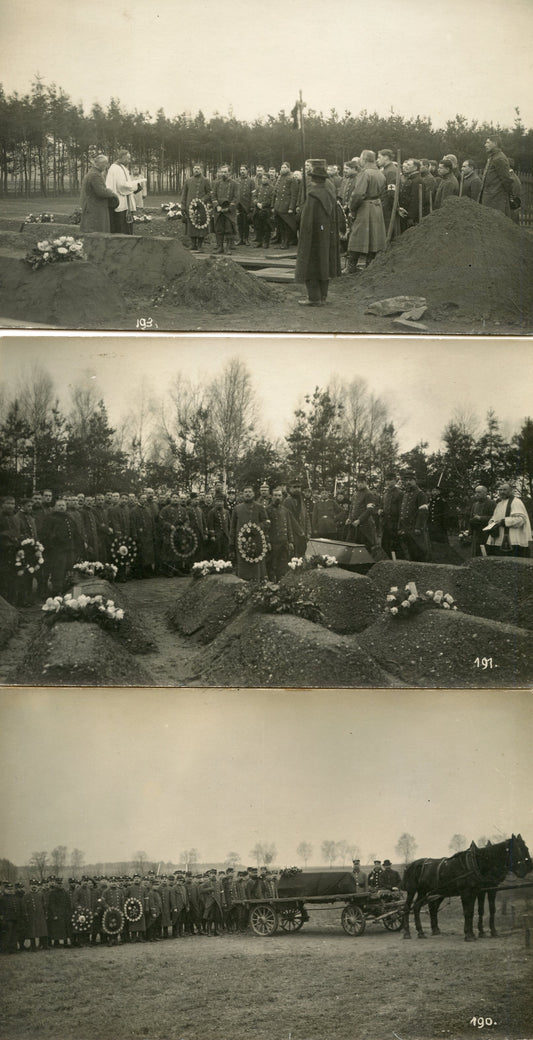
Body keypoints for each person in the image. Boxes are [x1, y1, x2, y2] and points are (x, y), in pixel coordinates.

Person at [295, 159, 338, 306]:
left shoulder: (312, 196)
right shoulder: (329, 192)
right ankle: (323, 296)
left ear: (312, 179)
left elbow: (306, 221)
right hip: (326, 234)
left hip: (313, 236)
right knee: (323, 262)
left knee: (311, 264)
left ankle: (313, 298)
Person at [345, 151, 386, 272]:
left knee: (357, 236)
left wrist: (352, 209)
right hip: (377, 207)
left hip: (365, 207)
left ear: (364, 160)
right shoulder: (380, 174)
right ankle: (370, 266)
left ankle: (351, 267)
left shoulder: (364, 174)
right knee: (374, 237)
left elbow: (358, 194)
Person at [229, 486, 270, 580]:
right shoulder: (237, 508)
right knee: (243, 565)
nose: (248, 494)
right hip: (241, 542)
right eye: (245, 492)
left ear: (253, 494)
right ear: (243, 494)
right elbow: (232, 527)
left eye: (250, 492)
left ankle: (257, 585)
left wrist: (256, 527)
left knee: (257, 565)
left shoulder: (259, 507)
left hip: (257, 541)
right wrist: (231, 543)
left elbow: (266, 522)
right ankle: (243, 585)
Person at [484, 482, 532, 558]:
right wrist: (492, 522)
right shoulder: (499, 503)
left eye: (505, 490)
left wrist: (503, 522)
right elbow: (494, 517)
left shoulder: (516, 502)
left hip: (512, 539)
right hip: (498, 538)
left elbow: (521, 519)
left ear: (511, 490)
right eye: (500, 490)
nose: (502, 492)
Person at [105, 150, 142, 234]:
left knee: (125, 224)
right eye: (128, 158)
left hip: (124, 199)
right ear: (122, 158)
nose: (129, 160)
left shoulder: (120, 167)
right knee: (121, 226)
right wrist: (135, 186)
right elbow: (122, 186)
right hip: (120, 200)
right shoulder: (116, 168)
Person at [80, 154, 119, 233]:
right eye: (105, 164)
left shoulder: (93, 173)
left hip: (93, 205)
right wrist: (111, 193)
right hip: (95, 207)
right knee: (97, 230)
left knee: (94, 230)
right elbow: (101, 192)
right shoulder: (95, 175)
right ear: (100, 164)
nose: (106, 166)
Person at [398, 471, 430, 561]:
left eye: (410, 480)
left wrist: (418, 527)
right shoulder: (405, 494)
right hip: (406, 528)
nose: (408, 482)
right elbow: (402, 512)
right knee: (410, 553)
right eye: (406, 480)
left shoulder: (420, 494)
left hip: (415, 529)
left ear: (415, 481)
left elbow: (423, 512)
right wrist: (400, 527)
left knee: (419, 552)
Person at [479, 135, 514, 218]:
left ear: (495, 143)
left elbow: (506, 180)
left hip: (495, 201)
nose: (485, 145)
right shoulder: (493, 157)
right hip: (490, 199)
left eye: (487, 142)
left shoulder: (499, 158)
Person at [266, 487, 295, 580]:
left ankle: (280, 584)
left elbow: (289, 527)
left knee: (282, 567)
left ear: (282, 497)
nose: (277, 497)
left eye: (279, 495)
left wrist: (291, 541)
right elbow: (265, 528)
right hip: (273, 543)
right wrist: (267, 542)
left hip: (284, 543)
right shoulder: (267, 510)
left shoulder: (285, 511)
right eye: (275, 495)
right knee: (271, 566)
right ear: (271, 497)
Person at [181, 164, 212, 251]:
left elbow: (210, 193)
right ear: (193, 170)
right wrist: (183, 205)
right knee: (191, 226)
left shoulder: (205, 180)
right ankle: (193, 244)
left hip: (201, 207)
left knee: (201, 225)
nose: (196, 170)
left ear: (201, 170)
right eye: (195, 168)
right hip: (190, 207)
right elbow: (184, 194)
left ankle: (200, 245)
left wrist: (202, 200)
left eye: (198, 168)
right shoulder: (188, 180)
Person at [272, 162, 298, 248]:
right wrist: (274, 206)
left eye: (285, 167)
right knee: (281, 225)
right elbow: (276, 193)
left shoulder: (292, 178)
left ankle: (286, 243)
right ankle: (282, 242)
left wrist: (291, 207)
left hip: (286, 207)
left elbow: (294, 195)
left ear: (289, 168)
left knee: (287, 225)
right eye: (282, 167)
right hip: (279, 206)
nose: (282, 169)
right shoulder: (279, 178)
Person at [468, 485, 494, 557]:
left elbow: (494, 518)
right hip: (476, 534)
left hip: (487, 533)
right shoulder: (475, 504)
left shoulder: (491, 503)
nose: (477, 494)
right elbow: (471, 519)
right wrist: (470, 532)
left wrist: (481, 518)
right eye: (476, 492)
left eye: (479, 492)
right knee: (475, 553)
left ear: (485, 493)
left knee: (485, 553)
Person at [398, 158, 424, 230]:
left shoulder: (417, 180)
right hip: (405, 213)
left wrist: (411, 217)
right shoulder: (411, 178)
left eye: (409, 165)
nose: (406, 166)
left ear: (415, 168)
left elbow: (415, 200)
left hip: (409, 216)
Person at [377, 149, 398, 231]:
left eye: (379, 157)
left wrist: (394, 208)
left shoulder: (391, 171)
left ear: (386, 157)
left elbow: (391, 192)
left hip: (387, 208)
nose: (377, 160)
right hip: (383, 205)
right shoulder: (386, 170)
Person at [253, 172, 274, 249]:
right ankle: (259, 241)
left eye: (265, 178)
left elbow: (271, 199)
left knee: (266, 227)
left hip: (266, 210)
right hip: (258, 209)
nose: (263, 180)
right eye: (263, 178)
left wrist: (263, 204)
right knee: (258, 226)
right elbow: (254, 196)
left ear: (268, 179)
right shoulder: (259, 187)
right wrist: (256, 202)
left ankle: (266, 242)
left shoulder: (272, 188)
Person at [236, 165, 255, 246]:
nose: (242, 171)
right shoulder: (237, 180)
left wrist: (251, 206)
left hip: (246, 205)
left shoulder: (251, 181)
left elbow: (253, 195)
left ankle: (246, 239)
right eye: (241, 170)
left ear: (247, 171)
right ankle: (240, 239)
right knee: (239, 222)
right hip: (238, 205)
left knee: (245, 223)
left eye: (244, 169)